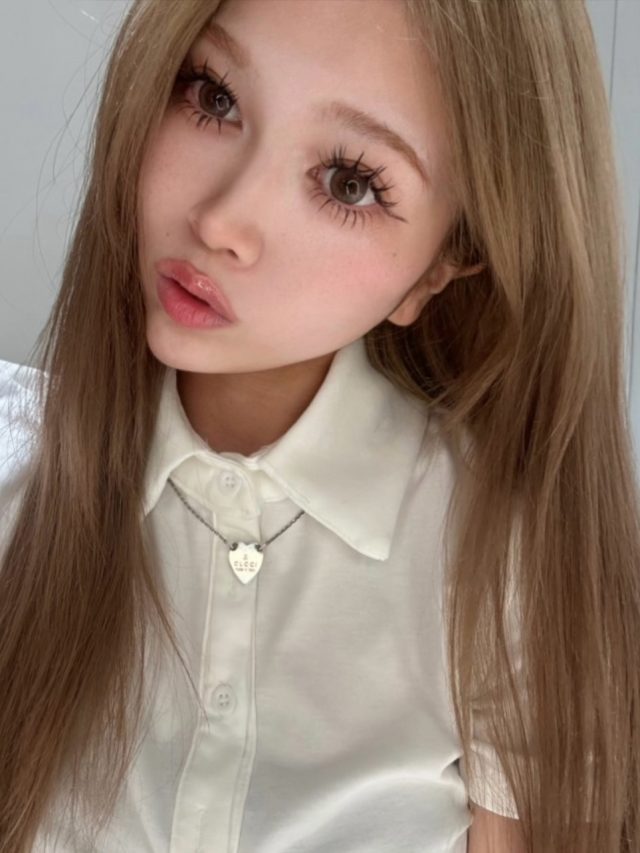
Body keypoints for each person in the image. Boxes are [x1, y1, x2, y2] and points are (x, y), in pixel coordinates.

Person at [0, 0, 638, 850]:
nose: (222, 220)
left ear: (441, 268)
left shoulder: (506, 569)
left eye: (349, 182)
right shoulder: (20, 488)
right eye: (214, 95)